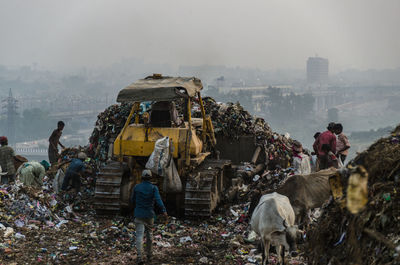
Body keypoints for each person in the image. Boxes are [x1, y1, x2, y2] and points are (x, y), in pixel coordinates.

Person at [130, 169, 167, 264]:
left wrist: (137, 207)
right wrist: (163, 211)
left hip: (138, 214)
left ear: (142, 178)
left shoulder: (136, 187)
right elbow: (158, 201)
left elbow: (132, 200)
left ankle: (139, 257)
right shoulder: (154, 188)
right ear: (150, 178)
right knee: (149, 235)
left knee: (139, 235)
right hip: (149, 215)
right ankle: (149, 256)